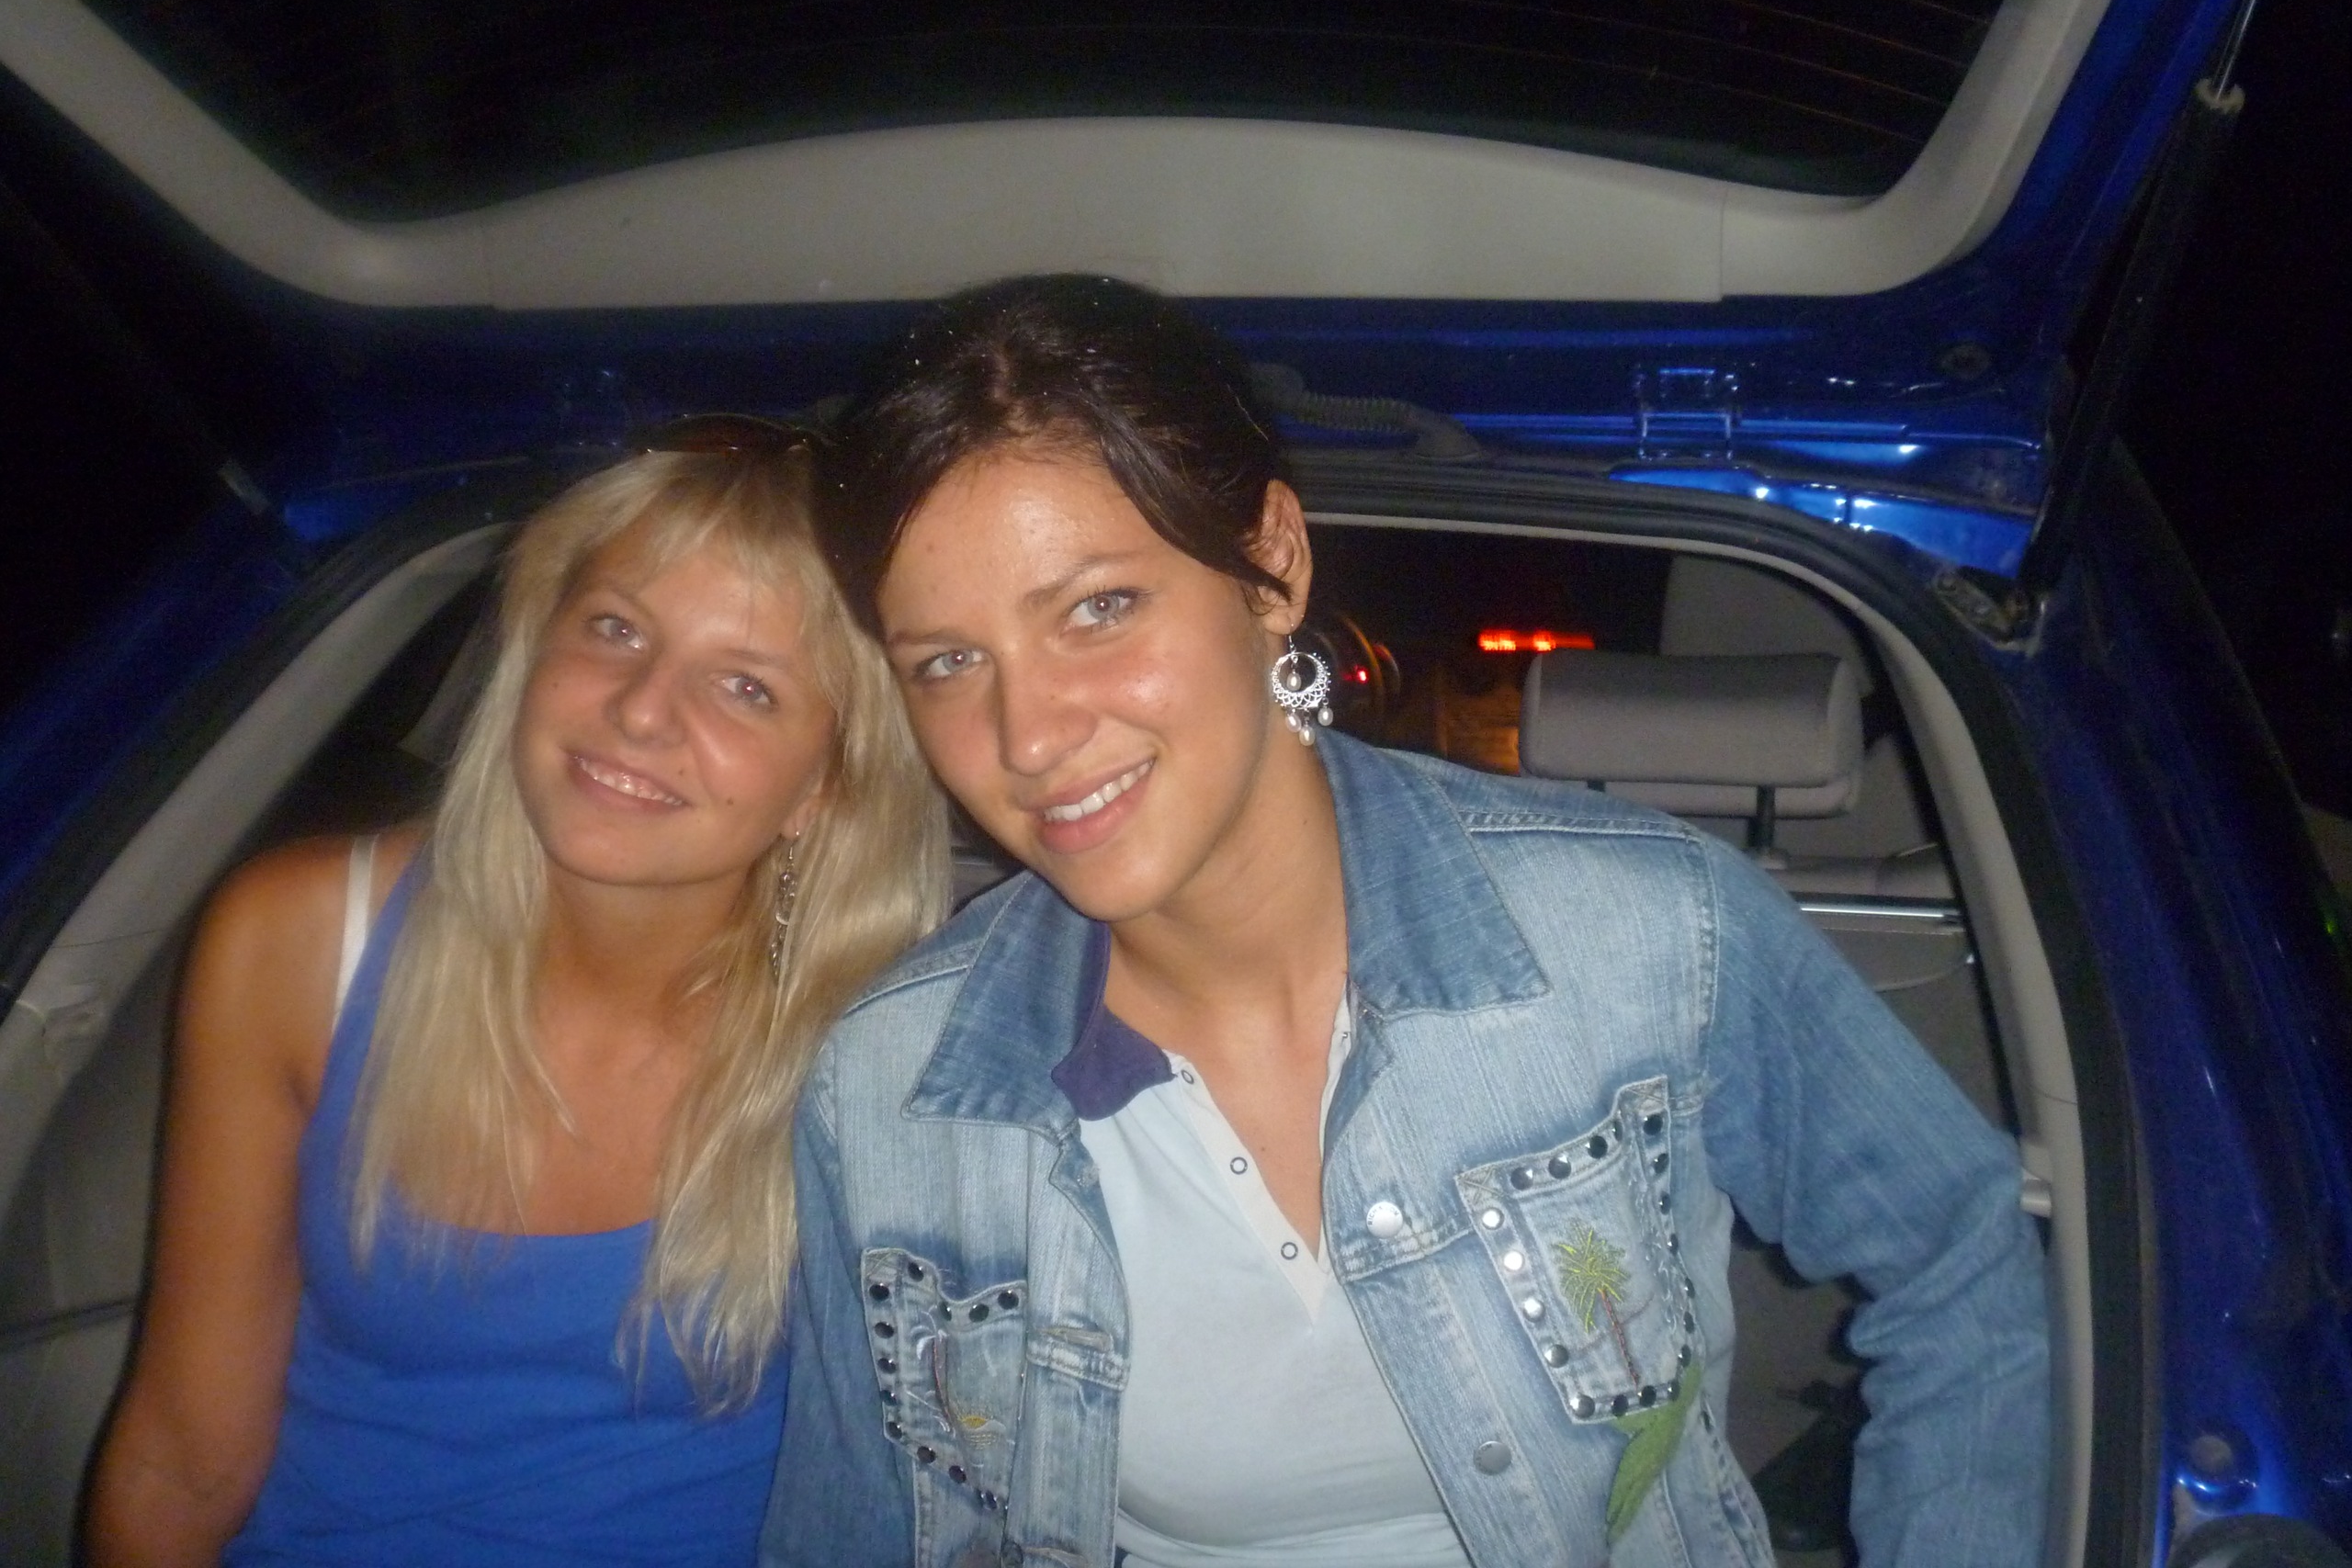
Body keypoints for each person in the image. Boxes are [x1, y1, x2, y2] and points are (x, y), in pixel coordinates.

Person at [763, 276, 2049, 1568]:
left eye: (1098, 609)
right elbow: (852, 1529)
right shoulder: (889, 1089)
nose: (1028, 735)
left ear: (1272, 564)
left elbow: (1960, 1257)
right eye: (948, 662)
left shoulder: (1647, 934)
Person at [89, 437, 948, 1566]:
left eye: (746, 686)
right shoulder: (301, 945)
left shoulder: (890, 1041)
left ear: (821, 789)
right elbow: (182, 1459)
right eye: (615, 629)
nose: (643, 710)